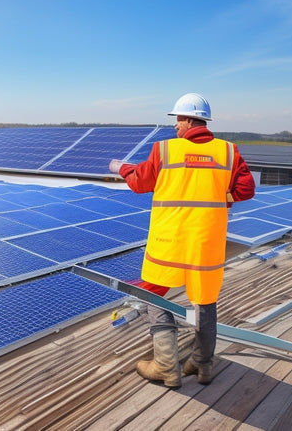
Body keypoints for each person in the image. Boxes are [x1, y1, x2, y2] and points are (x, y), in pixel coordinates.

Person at [109, 92, 255, 388]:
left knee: (154, 296)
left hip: (169, 242)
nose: (175, 126)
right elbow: (246, 189)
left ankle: (166, 366)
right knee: (204, 301)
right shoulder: (228, 151)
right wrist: (218, 198)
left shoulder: (164, 149)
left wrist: (122, 168)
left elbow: (140, 183)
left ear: (189, 120)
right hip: (206, 245)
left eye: (177, 119)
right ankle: (202, 366)